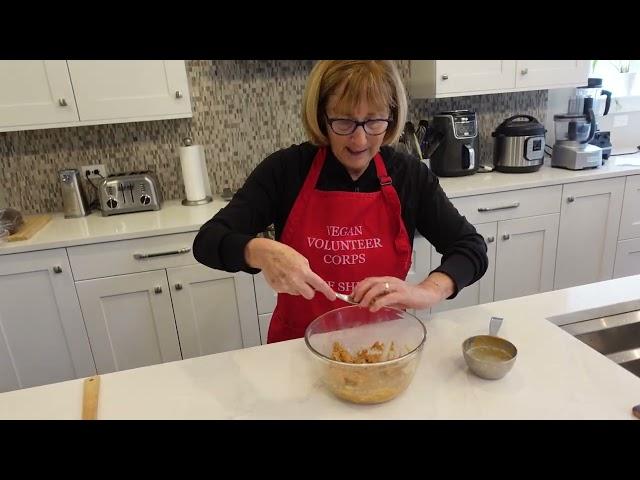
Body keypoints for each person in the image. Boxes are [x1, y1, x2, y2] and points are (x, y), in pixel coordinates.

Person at [193, 60, 488, 344]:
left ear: (392, 117)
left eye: (374, 121)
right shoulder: (286, 171)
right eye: (344, 121)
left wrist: (427, 291)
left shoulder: (408, 175)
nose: (359, 141)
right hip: (298, 349)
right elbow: (207, 241)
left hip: (383, 347)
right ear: (322, 116)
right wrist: (258, 251)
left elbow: (470, 248)